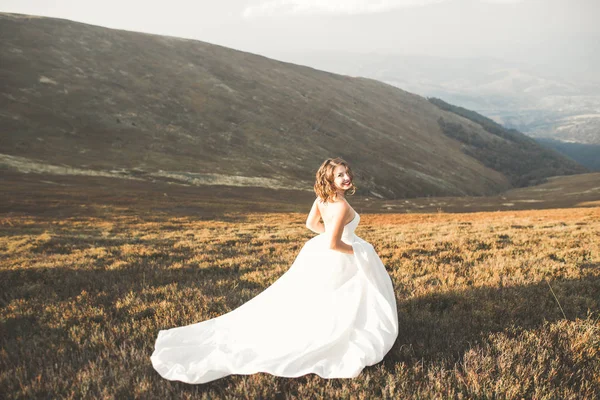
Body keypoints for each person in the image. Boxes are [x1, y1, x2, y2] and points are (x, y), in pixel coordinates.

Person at [151, 157, 398, 384]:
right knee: (342, 298)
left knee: (320, 299)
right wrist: (360, 251)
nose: (346, 178)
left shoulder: (321, 200)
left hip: (320, 252)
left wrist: (329, 237)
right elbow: (335, 243)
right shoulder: (342, 206)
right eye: (339, 175)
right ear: (329, 180)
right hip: (340, 255)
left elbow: (311, 224)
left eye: (346, 173)